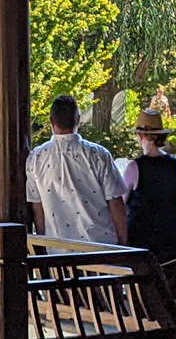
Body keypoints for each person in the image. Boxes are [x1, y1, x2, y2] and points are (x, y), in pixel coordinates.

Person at [25, 95, 126, 247]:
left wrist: (44, 242)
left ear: (52, 121)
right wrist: (124, 243)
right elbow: (116, 203)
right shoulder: (99, 154)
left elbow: (37, 208)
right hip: (101, 249)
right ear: (78, 120)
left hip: (59, 253)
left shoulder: (36, 158)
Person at [120, 97, 176, 296]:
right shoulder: (174, 164)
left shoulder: (135, 167)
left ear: (140, 135)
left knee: (145, 302)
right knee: (172, 300)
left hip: (144, 247)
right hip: (173, 243)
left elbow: (121, 202)